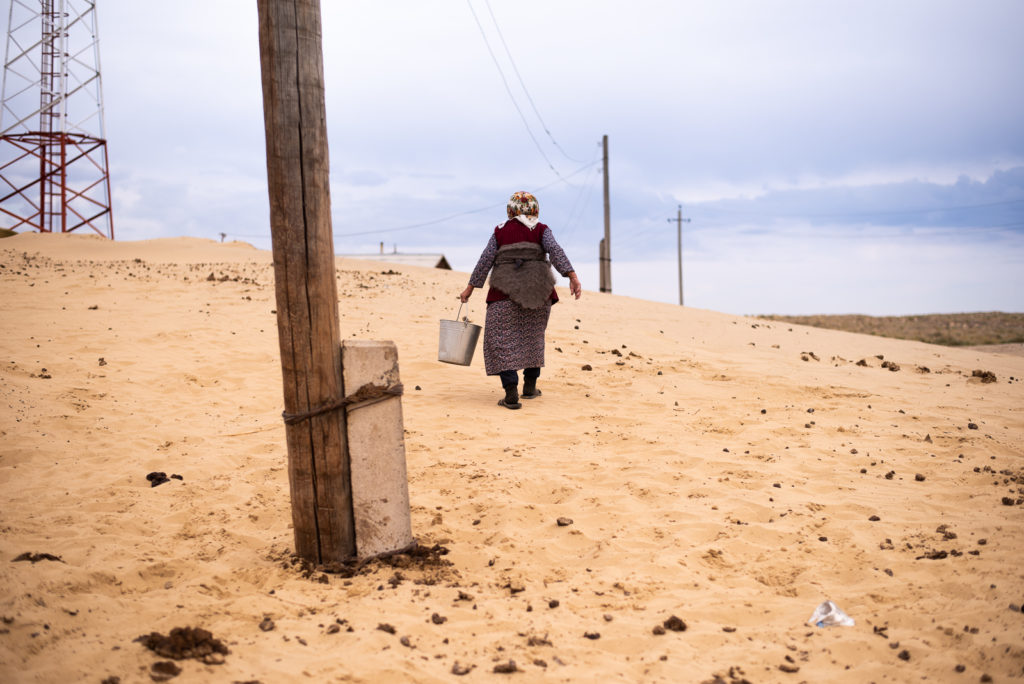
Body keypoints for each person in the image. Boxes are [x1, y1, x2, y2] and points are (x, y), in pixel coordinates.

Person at [459, 191, 582, 409]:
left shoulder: (500, 231)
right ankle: (530, 387)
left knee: (501, 341)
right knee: (533, 338)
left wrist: (471, 288)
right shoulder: (542, 229)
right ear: (535, 210)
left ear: (510, 210)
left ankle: (510, 392)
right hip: (538, 292)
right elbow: (555, 251)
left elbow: (485, 260)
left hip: (503, 293)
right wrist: (571, 275)